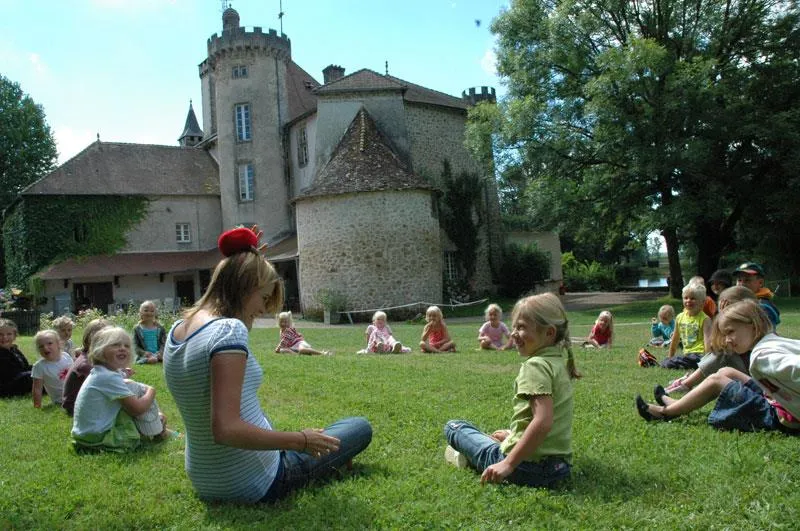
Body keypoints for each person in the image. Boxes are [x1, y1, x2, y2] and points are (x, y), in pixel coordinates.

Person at [163, 225, 371, 503]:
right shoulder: (228, 331)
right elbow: (226, 429)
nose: (262, 310)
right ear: (244, 286)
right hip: (255, 481)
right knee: (358, 427)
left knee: (336, 432)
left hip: (206, 479)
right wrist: (302, 440)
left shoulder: (178, 328)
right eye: (262, 297)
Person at [443, 293, 579, 487]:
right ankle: (511, 441)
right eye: (514, 326)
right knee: (495, 436)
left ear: (549, 333)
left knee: (454, 427)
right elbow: (548, 422)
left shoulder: (535, 366)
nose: (514, 333)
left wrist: (507, 463)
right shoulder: (557, 363)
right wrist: (512, 435)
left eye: (521, 327)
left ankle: (469, 457)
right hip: (559, 469)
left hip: (525, 469)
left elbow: (543, 420)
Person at [636, 300, 800, 434]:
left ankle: (666, 413)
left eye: (730, 332)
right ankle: (676, 403)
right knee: (725, 372)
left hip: (782, 417)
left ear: (753, 325)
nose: (727, 339)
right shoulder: (773, 340)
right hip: (776, 401)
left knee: (716, 380)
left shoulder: (762, 356)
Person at [71, 326, 173, 451]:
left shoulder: (101, 372)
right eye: (115, 345)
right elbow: (138, 409)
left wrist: (125, 375)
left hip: (86, 434)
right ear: (100, 350)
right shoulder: (107, 377)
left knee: (131, 385)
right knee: (139, 395)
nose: (122, 349)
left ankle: (159, 426)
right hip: (98, 438)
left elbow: (119, 380)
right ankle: (158, 430)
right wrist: (152, 390)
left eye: (127, 346)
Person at [660, 286, 757, 397]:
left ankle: (686, 383)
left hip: (751, 376)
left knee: (721, 354)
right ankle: (685, 384)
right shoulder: (680, 317)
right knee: (720, 353)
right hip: (742, 371)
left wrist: (722, 315)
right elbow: (715, 344)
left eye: (729, 310)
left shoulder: (751, 329)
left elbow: (713, 345)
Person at [61, 318, 110, 416]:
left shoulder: (89, 357)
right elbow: (104, 385)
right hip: (76, 406)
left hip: (81, 402)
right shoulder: (86, 364)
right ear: (88, 340)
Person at [661, 283, 712, 370]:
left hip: (700, 355)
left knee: (673, 362)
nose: (688, 300)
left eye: (693, 298)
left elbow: (707, 342)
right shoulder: (680, 317)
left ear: (702, 302)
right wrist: (670, 356)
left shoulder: (705, 319)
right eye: (686, 298)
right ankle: (674, 362)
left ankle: (679, 363)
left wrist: (708, 361)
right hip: (687, 355)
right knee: (668, 361)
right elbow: (675, 339)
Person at [31, 329, 72, 408]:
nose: (45, 348)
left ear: (58, 344)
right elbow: (37, 389)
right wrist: (37, 405)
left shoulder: (66, 356)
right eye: (41, 346)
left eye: (49, 343)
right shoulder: (39, 366)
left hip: (76, 393)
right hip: (61, 401)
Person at [733, 262, 780, 327]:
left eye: (747, 280)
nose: (741, 284)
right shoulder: (736, 301)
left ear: (760, 283)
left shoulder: (763, 306)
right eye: (739, 280)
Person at [0, 318, 32, 398]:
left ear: (14, 336)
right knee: (31, 377)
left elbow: (25, 366)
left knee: (43, 369)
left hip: (19, 378)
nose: (4, 337)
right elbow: (10, 374)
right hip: (6, 386)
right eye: (0, 334)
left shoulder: (14, 350)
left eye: (9, 334)